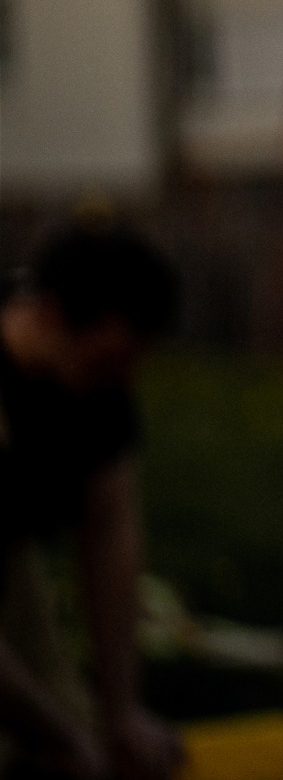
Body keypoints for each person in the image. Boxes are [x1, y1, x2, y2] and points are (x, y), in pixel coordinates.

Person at [0, 222, 181, 780]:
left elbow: (109, 534)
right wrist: (63, 737)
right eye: (109, 362)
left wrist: (122, 712)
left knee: (89, 730)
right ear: (50, 314)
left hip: (10, 545)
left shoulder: (99, 388)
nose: (122, 384)